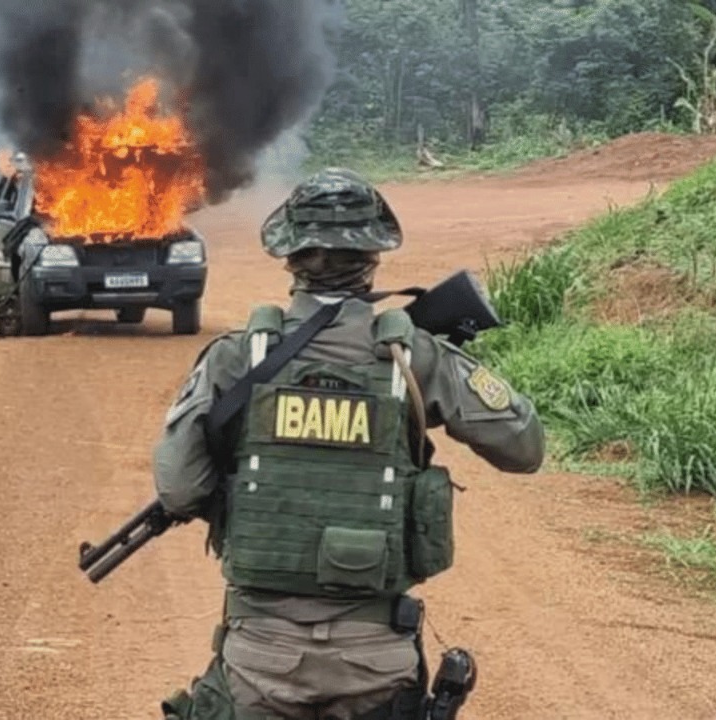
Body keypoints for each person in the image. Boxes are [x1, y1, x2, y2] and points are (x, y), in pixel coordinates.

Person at [153, 167, 545, 720]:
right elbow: (525, 446)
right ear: (374, 257)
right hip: (376, 661)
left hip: (260, 662)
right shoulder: (413, 359)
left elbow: (178, 490)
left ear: (289, 255)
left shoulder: (236, 359)